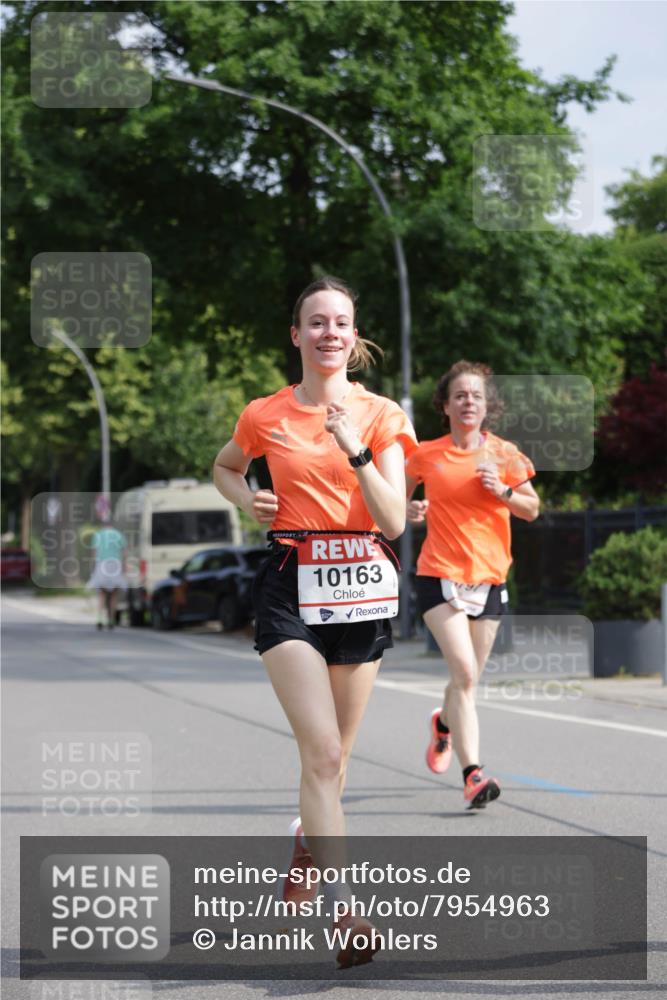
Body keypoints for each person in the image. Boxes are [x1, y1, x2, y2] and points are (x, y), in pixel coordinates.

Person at [213, 276, 416, 968]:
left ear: (353, 338)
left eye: (342, 323)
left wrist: (354, 448)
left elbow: (392, 520)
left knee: (337, 760)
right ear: (295, 335)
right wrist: (247, 498)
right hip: (289, 582)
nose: (330, 332)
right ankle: (346, 911)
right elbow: (224, 465)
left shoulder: (383, 414)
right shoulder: (264, 413)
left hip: (362, 585)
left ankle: (307, 837)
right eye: (317, 322)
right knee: (322, 754)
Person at [406, 361, 539, 809]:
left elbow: (531, 509)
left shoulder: (505, 454)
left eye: (476, 396)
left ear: (487, 407)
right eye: (460, 395)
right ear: (445, 405)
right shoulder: (427, 454)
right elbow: (393, 499)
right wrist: (408, 512)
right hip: (438, 574)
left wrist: (502, 491)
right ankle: (473, 775)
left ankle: (443, 724)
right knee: (464, 673)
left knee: (467, 681)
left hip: (490, 579)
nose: (468, 402)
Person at [86, 517, 128, 630]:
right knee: (114, 594)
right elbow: (124, 553)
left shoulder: (98, 535)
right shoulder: (119, 535)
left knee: (102, 594)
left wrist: (93, 568)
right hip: (115, 565)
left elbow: (94, 553)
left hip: (102, 564)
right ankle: (111, 620)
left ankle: (99, 618)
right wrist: (124, 568)